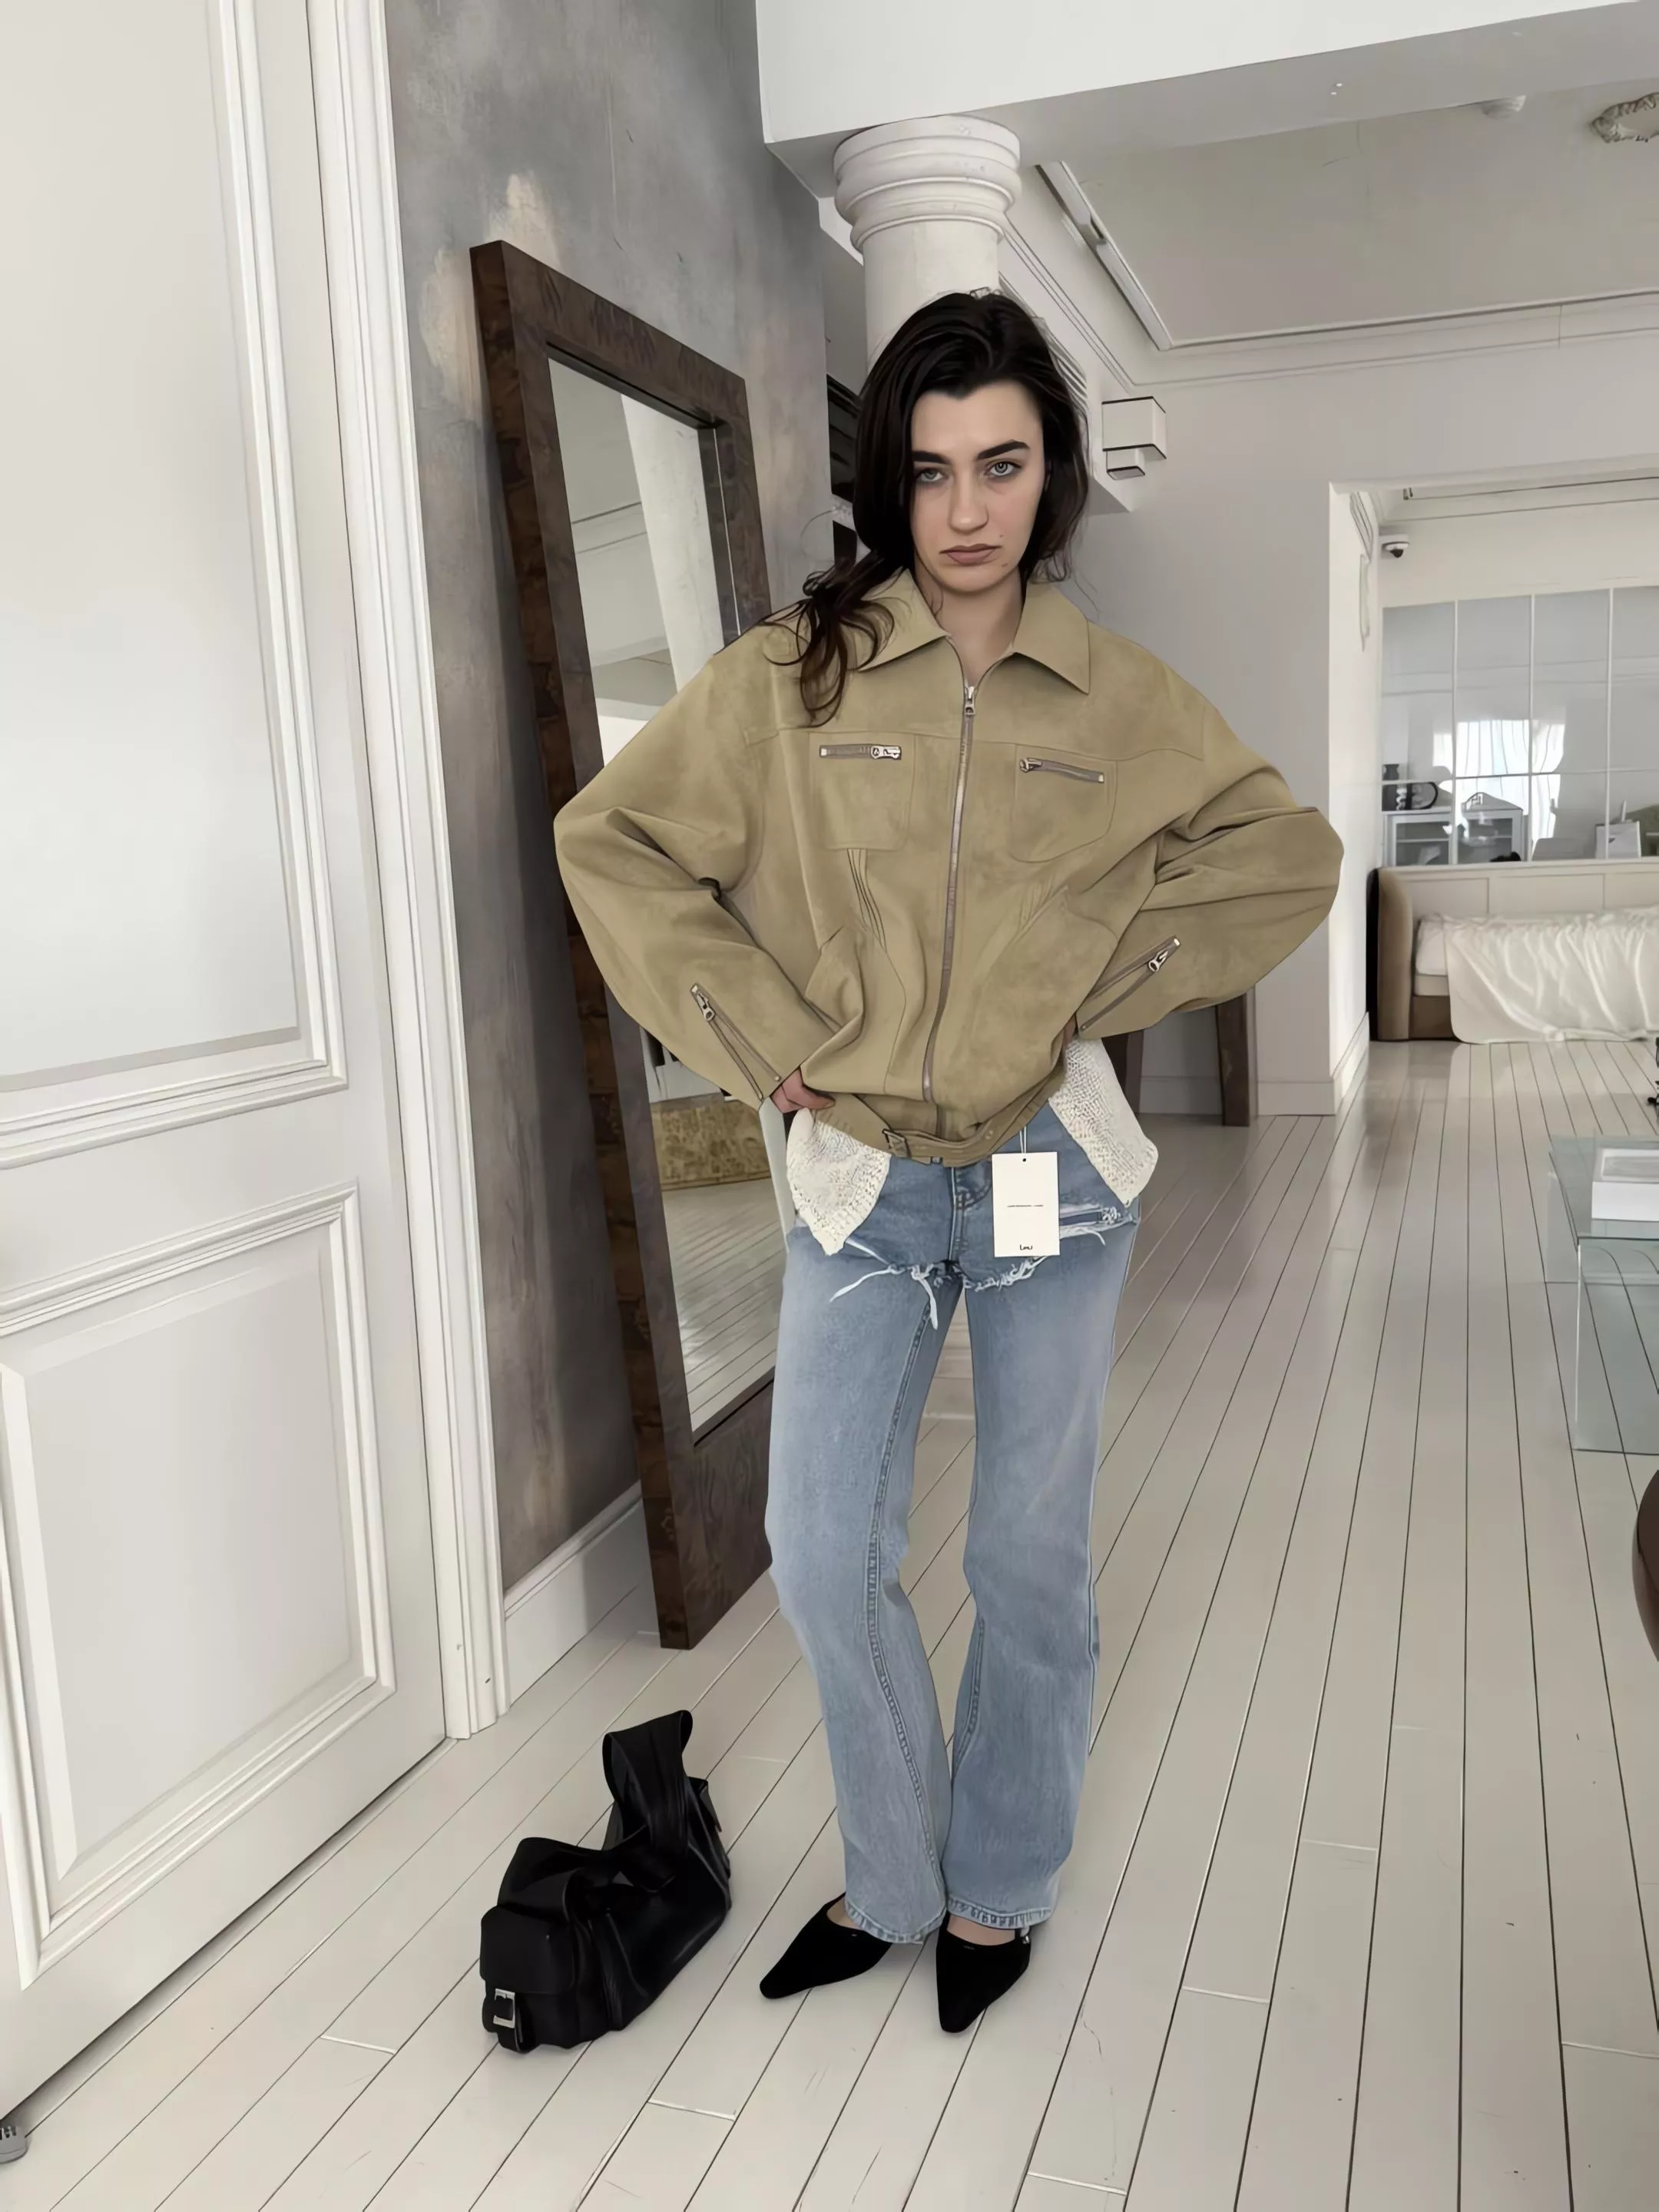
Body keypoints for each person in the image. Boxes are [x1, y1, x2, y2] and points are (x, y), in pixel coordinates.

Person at [554, 291, 1341, 2033]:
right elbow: (614, 843)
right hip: (866, 1173)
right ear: (889, 485)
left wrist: (1095, 984)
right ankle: (893, 1878)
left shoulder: (1118, 695)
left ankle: (997, 1885)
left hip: (1052, 1163)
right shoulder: (796, 679)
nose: (967, 508)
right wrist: (766, 1036)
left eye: (1002, 464)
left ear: (1052, 474)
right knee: (820, 1543)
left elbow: (1287, 854)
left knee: (1027, 1554)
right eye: (931, 471)